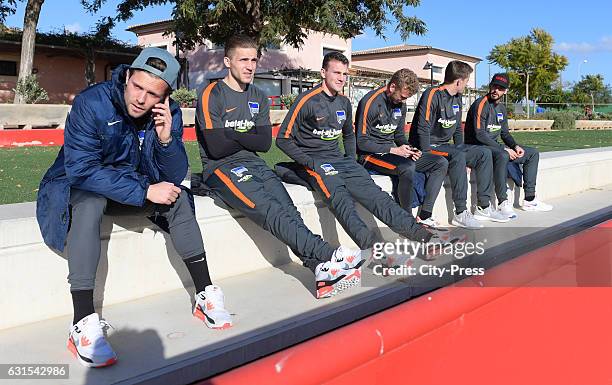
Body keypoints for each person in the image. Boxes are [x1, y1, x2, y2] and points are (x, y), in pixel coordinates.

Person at [36, 48, 232, 368]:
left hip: (129, 188)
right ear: (127, 76)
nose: (141, 99)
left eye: (152, 93)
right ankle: (83, 323)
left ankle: (205, 294)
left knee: (178, 196)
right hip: (74, 186)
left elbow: (170, 176)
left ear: (165, 96)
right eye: (137, 87)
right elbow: (81, 170)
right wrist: (144, 191)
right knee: (90, 202)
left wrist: (167, 140)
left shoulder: (168, 113)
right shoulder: (92, 103)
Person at [195, 36, 362, 300]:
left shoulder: (258, 96)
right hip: (221, 169)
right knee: (270, 210)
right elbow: (216, 148)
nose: (250, 66)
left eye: (253, 59)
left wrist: (231, 133)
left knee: (288, 210)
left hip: (256, 163)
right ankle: (328, 253)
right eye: (243, 60)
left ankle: (319, 271)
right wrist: (243, 137)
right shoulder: (211, 94)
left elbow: (263, 143)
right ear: (228, 62)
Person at [276, 52, 435, 252]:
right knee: (342, 201)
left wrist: (352, 161)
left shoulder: (343, 102)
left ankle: (421, 236)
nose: (341, 78)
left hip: (341, 161)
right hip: (316, 163)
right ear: (323, 72)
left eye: (344, 73)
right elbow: (283, 139)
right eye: (336, 72)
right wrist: (310, 162)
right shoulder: (307, 100)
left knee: (376, 196)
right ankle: (374, 250)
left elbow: (349, 136)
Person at [408, 60, 509, 228]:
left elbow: (456, 130)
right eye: (467, 80)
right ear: (458, 81)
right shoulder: (432, 94)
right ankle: (460, 213)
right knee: (458, 156)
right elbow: (422, 128)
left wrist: (464, 152)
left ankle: (483, 207)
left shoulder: (458, 97)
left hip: (446, 146)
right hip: (429, 147)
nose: (467, 83)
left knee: (483, 153)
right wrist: (426, 153)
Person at [355, 68, 448, 228]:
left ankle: (425, 214)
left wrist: (410, 149)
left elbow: (398, 136)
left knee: (440, 162)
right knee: (407, 168)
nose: (403, 101)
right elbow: (361, 142)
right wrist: (393, 150)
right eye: (402, 96)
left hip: (391, 153)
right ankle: (407, 220)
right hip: (370, 156)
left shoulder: (401, 105)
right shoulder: (370, 102)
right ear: (392, 87)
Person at [464, 73, 552, 213]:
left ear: (505, 91)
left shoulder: (501, 109)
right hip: (478, 148)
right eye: (494, 86)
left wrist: (515, 146)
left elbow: (504, 133)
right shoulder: (480, 104)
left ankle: (529, 200)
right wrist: (503, 149)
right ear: (490, 86)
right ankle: (502, 203)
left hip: (494, 147)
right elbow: (479, 134)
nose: (496, 90)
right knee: (503, 156)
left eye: (500, 88)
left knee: (532, 154)